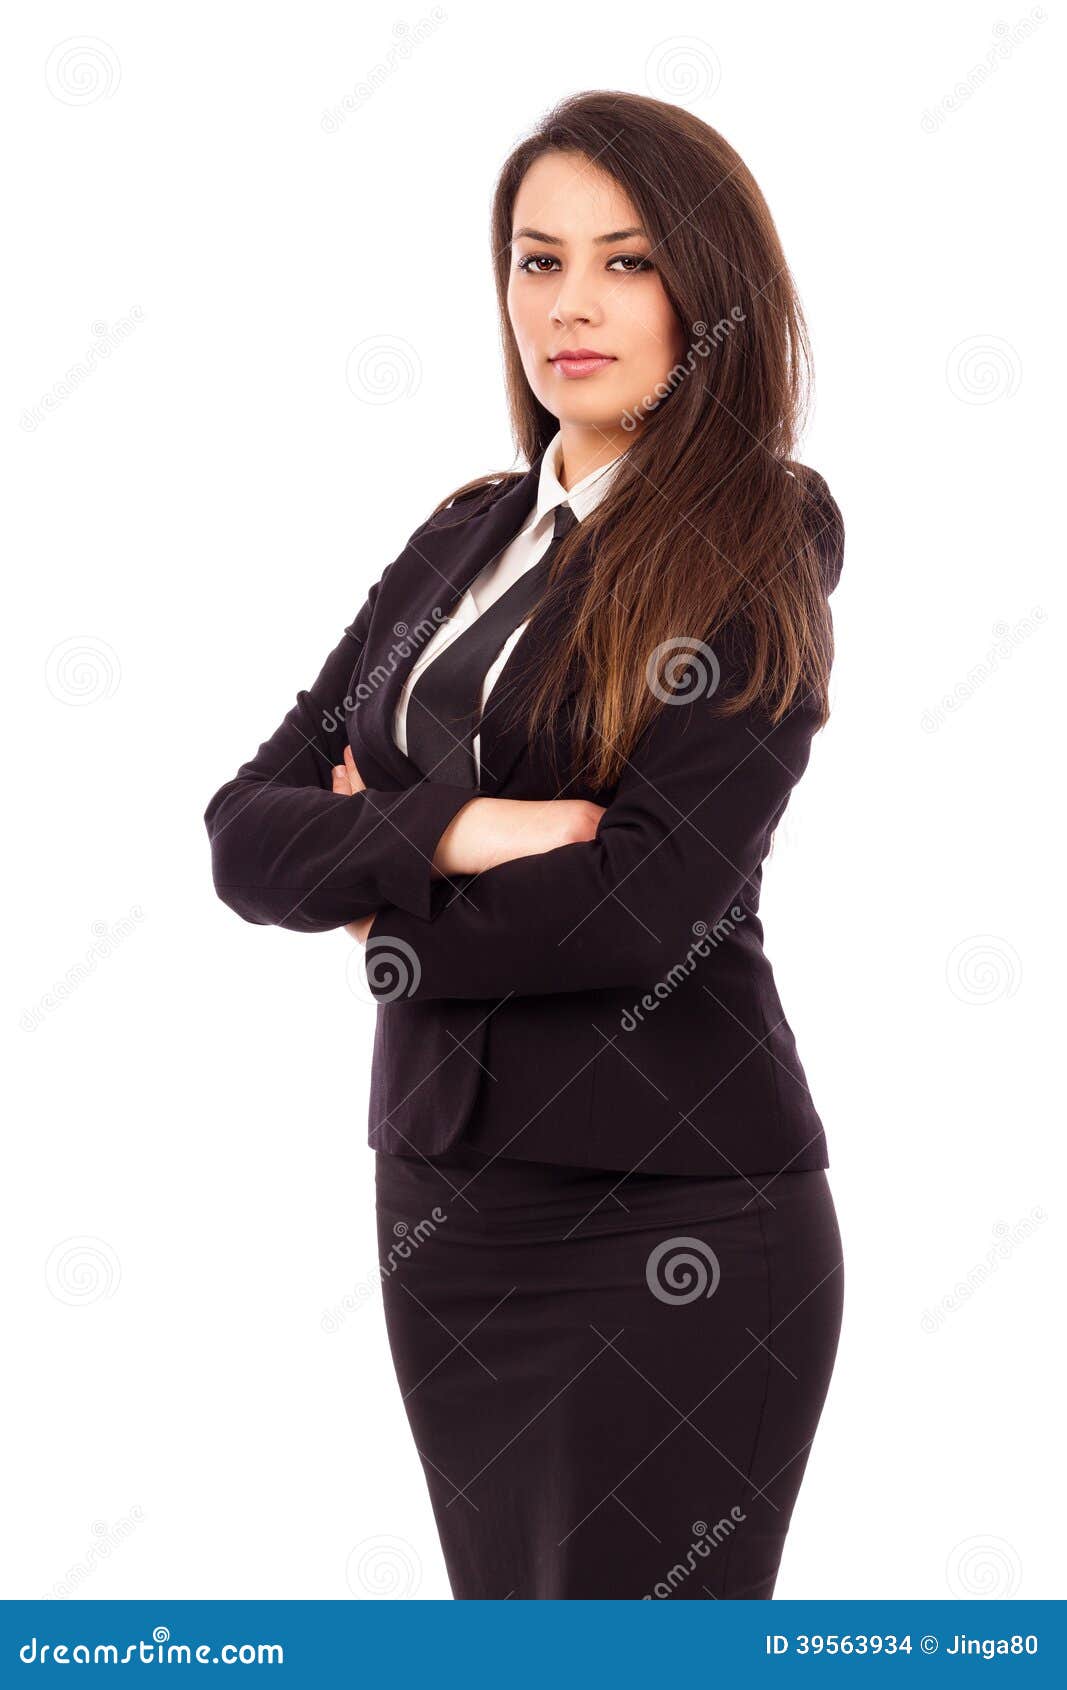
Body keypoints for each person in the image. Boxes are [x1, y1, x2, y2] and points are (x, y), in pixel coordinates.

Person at [204, 89, 847, 1600]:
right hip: (446, 1201)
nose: (569, 306)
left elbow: (646, 907)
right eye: (535, 258)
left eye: (625, 264)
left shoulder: (758, 530)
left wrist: (381, 893)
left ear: (706, 289)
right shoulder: (461, 536)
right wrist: (468, 826)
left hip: (673, 1213)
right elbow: (243, 835)